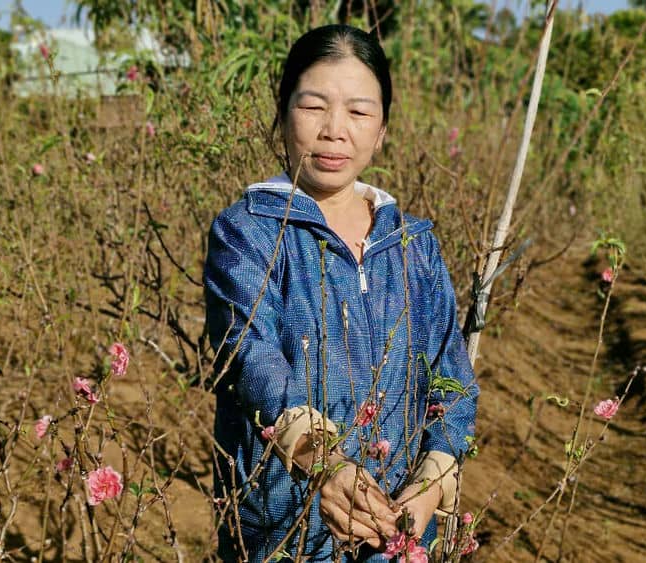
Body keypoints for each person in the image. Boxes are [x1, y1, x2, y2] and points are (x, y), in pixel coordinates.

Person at [204, 24, 479, 562]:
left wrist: (430, 481)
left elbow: (453, 379)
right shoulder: (248, 231)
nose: (334, 131)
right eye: (313, 107)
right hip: (284, 527)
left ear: (381, 131)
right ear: (282, 115)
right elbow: (249, 357)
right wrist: (324, 462)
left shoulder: (412, 245)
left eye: (358, 112)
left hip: (395, 531)